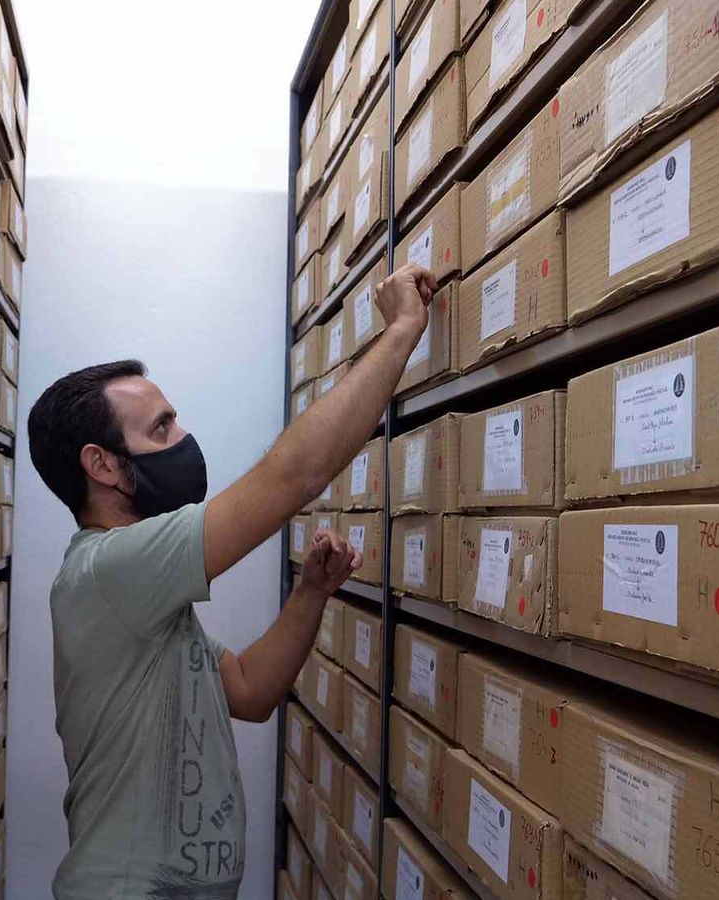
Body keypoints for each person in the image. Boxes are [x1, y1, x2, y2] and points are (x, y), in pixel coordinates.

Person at [25, 262, 438, 899]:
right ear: (102, 465)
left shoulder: (142, 598)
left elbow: (248, 691)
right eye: (162, 427)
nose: (184, 438)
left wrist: (310, 594)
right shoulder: (110, 569)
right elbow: (290, 477)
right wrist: (403, 329)